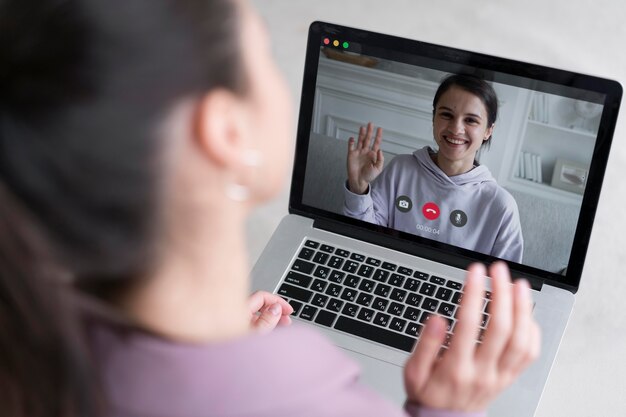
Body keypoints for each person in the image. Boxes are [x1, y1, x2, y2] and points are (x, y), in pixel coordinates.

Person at [0, 0, 540, 416]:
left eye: (471, 121)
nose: (456, 129)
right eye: (263, 53)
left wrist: (221, 340)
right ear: (227, 132)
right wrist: (444, 408)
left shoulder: (33, 346)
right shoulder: (317, 401)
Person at [344, 75, 524, 263]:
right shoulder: (400, 169)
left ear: (488, 130)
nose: (456, 129)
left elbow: (506, 284)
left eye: (470, 120)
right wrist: (359, 187)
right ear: (434, 118)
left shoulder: (502, 206)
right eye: (446, 115)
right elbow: (363, 240)